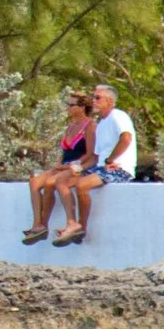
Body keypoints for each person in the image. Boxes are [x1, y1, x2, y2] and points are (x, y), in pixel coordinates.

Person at [55, 84, 136, 248]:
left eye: (98, 98)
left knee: (82, 185)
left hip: (119, 169)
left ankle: (81, 227)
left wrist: (111, 160)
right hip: (100, 168)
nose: (94, 101)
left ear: (110, 101)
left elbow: (126, 139)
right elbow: (96, 157)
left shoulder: (117, 116)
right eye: (93, 97)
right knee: (62, 182)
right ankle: (72, 224)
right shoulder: (102, 124)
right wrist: (79, 167)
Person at [23, 91, 95, 245]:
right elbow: (66, 151)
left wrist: (71, 166)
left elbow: (90, 153)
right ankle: (38, 223)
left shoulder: (89, 125)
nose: (67, 107)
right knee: (35, 182)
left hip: (78, 165)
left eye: (71, 105)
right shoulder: (71, 126)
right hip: (65, 164)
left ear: (82, 107)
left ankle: (56, 224)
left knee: (50, 183)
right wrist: (60, 165)